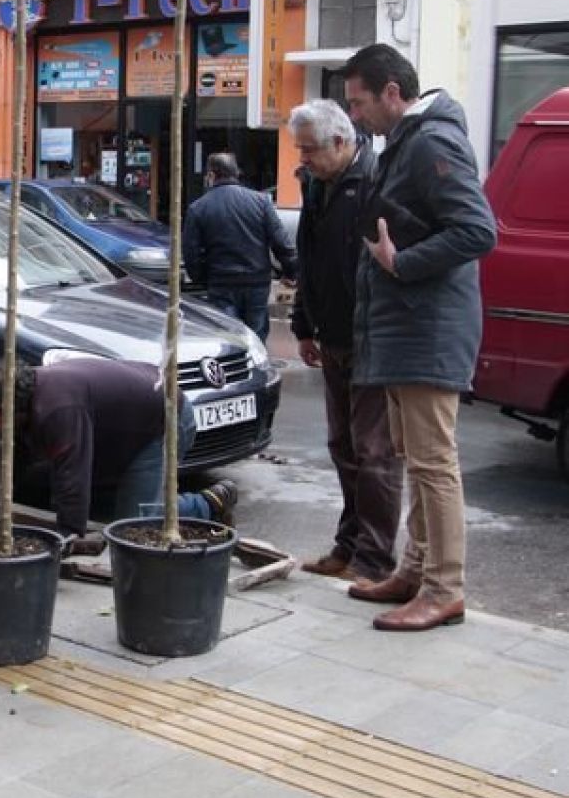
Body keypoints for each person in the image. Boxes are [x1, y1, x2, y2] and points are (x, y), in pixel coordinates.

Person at [340, 44, 496, 632]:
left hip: (429, 329)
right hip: (407, 329)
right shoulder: (402, 142)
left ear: (392, 93)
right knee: (416, 458)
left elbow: (477, 230)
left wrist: (401, 262)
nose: (355, 116)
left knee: (433, 463)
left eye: (359, 104)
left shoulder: (431, 141)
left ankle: (444, 587)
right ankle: (415, 570)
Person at [287, 99, 403, 583]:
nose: (303, 158)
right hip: (331, 334)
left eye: (310, 149)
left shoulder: (375, 181)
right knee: (343, 446)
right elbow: (308, 261)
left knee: (374, 452)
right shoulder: (317, 183)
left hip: (370, 338)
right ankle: (350, 544)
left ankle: (374, 559)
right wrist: (302, 325)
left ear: (341, 142)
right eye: (300, 149)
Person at [0, 359, 237, 540]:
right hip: (127, 425)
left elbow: (72, 476)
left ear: (9, 405)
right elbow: (2, 467)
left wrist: (66, 538)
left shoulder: (59, 410)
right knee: (109, 509)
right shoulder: (24, 401)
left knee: (133, 526)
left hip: (164, 420)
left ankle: (209, 503)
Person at [183, 152, 297, 342]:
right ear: (236, 173)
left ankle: (233, 370)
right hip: (257, 281)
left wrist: (202, 278)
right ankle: (256, 369)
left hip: (221, 282)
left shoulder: (198, 208)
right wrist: (291, 272)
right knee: (256, 338)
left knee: (228, 339)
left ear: (211, 175)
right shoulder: (261, 202)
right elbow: (280, 241)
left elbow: (191, 252)